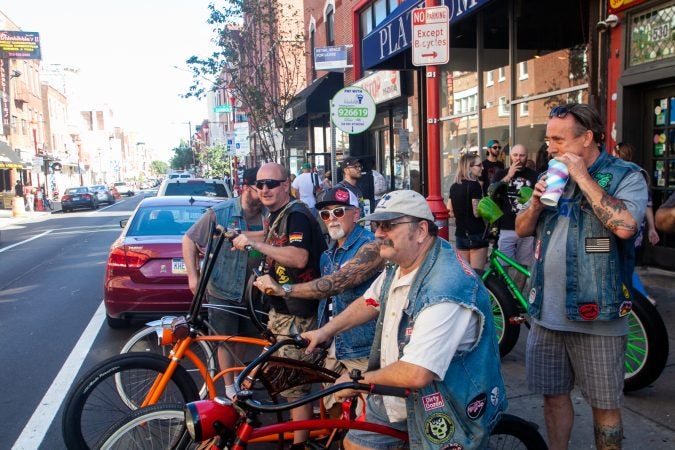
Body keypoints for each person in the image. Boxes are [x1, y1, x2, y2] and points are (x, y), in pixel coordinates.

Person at [302, 190, 507, 450]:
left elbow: (417, 372)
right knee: (356, 444)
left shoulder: (445, 287)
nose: (377, 233)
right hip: (398, 394)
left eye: (388, 225)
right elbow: (370, 301)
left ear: (421, 230)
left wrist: (357, 382)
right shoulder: (400, 261)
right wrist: (325, 331)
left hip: (444, 401)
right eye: (376, 225)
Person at [515, 103, 648, 449]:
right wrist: (534, 204)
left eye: (559, 139)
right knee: (553, 398)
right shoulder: (548, 175)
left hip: (597, 316)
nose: (551, 147)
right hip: (546, 313)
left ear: (587, 137)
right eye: (548, 139)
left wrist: (583, 179)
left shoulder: (626, 175)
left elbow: (625, 227)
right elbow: (521, 229)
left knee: (605, 406)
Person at [254, 186, 382, 412]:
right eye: (325, 214)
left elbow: (335, 284)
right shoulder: (328, 255)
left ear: (356, 214)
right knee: (333, 412)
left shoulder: (370, 245)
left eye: (339, 212)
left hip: (363, 350)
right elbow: (328, 302)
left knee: (366, 425)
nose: (331, 219)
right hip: (336, 346)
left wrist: (283, 289)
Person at [231, 162, 327, 447]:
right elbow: (275, 240)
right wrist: (243, 237)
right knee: (285, 380)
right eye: (259, 184)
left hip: (298, 312)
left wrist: (254, 245)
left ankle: (300, 443)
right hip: (283, 310)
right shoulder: (279, 214)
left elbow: (298, 257)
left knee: (295, 386)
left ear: (286, 184)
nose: (264, 189)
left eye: (271, 183)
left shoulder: (296, 215)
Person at [182, 167, 264, 400]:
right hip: (223, 287)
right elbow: (189, 239)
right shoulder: (220, 213)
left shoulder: (269, 214)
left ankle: (238, 380)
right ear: (246, 188)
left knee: (244, 339)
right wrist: (193, 276)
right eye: (260, 188)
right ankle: (229, 388)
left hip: (253, 290)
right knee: (225, 340)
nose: (265, 193)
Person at [490, 144, 539, 272]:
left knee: (523, 267)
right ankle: (503, 292)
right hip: (506, 226)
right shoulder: (501, 174)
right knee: (502, 265)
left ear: (526, 156)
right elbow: (491, 193)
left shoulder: (534, 176)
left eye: (522, 155)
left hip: (527, 227)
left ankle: (518, 293)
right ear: (510, 156)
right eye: (515, 155)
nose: (518, 158)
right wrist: (509, 176)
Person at [614, 142, 660, 249]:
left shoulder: (617, 172)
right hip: (633, 225)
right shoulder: (639, 173)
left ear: (617, 154)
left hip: (620, 224)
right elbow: (648, 205)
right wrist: (652, 228)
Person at [447, 152, 489, 269]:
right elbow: (477, 213)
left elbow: (450, 212)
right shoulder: (475, 185)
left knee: (466, 275)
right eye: (479, 165)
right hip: (476, 233)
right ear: (469, 167)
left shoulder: (454, 186)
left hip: (460, 234)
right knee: (477, 276)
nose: (482, 167)